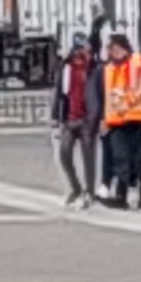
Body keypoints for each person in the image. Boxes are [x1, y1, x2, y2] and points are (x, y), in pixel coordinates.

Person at [101, 32, 141, 209]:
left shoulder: (138, 62)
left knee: (139, 158)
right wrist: (107, 118)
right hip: (119, 118)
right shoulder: (110, 68)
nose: (113, 52)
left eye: (116, 48)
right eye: (111, 49)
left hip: (139, 116)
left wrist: (126, 103)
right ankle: (122, 194)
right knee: (121, 157)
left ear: (125, 48)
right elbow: (109, 95)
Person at [52, 30, 103, 209]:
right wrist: (55, 117)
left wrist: (101, 117)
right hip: (70, 118)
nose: (80, 53)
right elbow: (59, 93)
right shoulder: (66, 68)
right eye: (77, 49)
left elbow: (101, 93)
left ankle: (89, 192)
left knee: (89, 157)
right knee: (64, 154)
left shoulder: (94, 68)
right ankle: (75, 188)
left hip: (88, 118)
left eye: (83, 49)